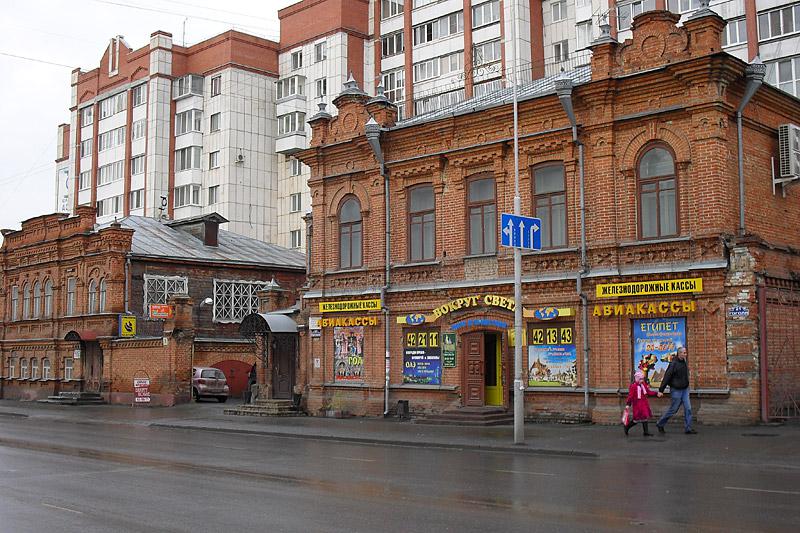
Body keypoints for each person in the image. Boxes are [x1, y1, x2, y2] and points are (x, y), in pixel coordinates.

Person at [656, 346, 697, 434]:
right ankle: (660, 423)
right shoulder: (673, 364)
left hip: (685, 389)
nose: (686, 354)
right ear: (679, 353)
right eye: (684, 353)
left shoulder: (684, 362)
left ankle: (688, 428)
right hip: (676, 390)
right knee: (673, 409)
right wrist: (661, 390)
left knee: (688, 408)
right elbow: (667, 377)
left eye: (686, 352)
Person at [624, 370, 657, 437]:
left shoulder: (643, 384)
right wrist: (628, 404)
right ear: (637, 379)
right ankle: (627, 427)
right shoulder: (633, 386)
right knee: (636, 419)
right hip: (637, 405)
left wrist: (656, 393)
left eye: (642, 379)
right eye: (640, 379)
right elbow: (630, 396)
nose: (642, 380)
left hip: (644, 404)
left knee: (645, 418)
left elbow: (648, 392)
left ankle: (646, 432)